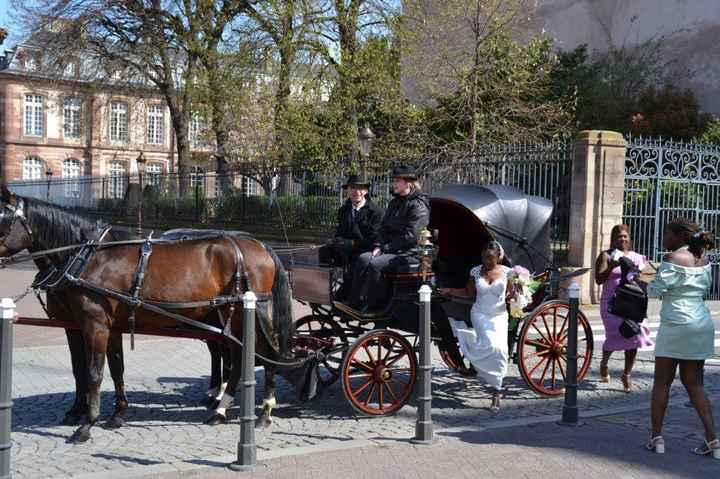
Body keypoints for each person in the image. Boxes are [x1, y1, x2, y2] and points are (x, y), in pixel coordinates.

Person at [643, 218, 717, 457]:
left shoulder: (673, 258)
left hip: (676, 323)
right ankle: (713, 440)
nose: (664, 239)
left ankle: (657, 438)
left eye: (667, 234)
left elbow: (655, 291)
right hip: (701, 323)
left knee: (662, 382)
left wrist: (638, 280)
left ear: (679, 237)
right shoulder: (703, 259)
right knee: (695, 384)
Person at [346, 165, 430, 313]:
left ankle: (375, 305)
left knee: (376, 264)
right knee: (363, 258)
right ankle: (354, 302)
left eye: (397, 181)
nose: (394, 184)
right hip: (391, 249)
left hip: (410, 253)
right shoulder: (395, 202)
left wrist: (385, 248)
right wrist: (379, 245)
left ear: (408, 183)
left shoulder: (418, 204)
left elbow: (411, 236)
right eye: (394, 181)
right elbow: (383, 228)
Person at [439, 242, 511, 413]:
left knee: (500, 349)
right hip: (480, 315)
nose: (486, 261)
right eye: (484, 257)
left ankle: (496, 391)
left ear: (498, 257)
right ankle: (469, 343)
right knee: (491, 345)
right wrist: (450, 291)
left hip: (500, 316)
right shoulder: (476, 271)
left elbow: (513, 294)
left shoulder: (508, 273)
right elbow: (468, 293)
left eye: (490, 258)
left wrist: (518, 295)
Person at [594, 224, 653, 393]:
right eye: (619, 236)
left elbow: (648, 279)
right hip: (612, 304)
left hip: (633, 302)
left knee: (635, 332)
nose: (623, 239)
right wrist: (611, 266)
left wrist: (643, 276)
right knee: (616, 334)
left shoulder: (638, 257)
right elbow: (599, 279)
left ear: (630, 238)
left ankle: (627, 373)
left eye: (625, 236)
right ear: (613, 239)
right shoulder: (606, 256)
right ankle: (604, 362)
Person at [322, 175, 384, 299]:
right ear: (347, 191)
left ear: (366, 191)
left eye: (360, 188)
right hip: (347, 249)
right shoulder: (343, 210)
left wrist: (351, 244)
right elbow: (340, 232)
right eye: (353, 188)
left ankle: (353, 297)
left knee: (359, 259)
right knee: (323, 252)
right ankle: (322, 291)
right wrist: (335, 241)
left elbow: (373, 239)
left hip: (366, 250)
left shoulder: (376, 212)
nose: (356, 192)